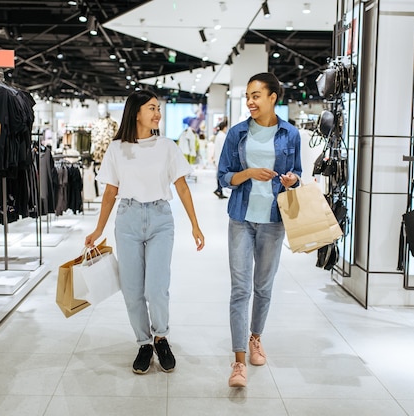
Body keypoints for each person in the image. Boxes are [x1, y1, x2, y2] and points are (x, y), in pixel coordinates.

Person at [85, 90, 205, 374]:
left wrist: (195, 225)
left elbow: (182, 187)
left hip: (160, 218)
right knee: (131, 289)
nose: (157, 114)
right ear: (136, 112)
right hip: (127, 219)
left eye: (158, 109)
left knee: (156, 287)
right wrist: (98, 229)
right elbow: (110, 193)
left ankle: (161, 336)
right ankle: (143, 343)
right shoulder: (116, 149)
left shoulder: (167, 146)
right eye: (152, 108)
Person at [217, 72, 302, 388]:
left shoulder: (290, 134)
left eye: (256, 96)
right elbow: (223, 177)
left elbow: (299, 175)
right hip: (241, 218)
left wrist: (292, 180)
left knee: (263, 286)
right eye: (248, 97)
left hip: (273, 221)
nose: (250, 102)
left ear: (272, 98)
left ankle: (255, 338)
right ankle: (238, 362)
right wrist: (248, 172)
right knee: (240, 289)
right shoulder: (237, 134)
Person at [213, 120, 228, 199]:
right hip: (221, 158)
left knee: (220, 174)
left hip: (218, 157)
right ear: (224, 128)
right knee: (221, 174)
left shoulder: (219, 135)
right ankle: (219, 190)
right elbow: (224, 147)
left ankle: (219, 190)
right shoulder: (222, 136)